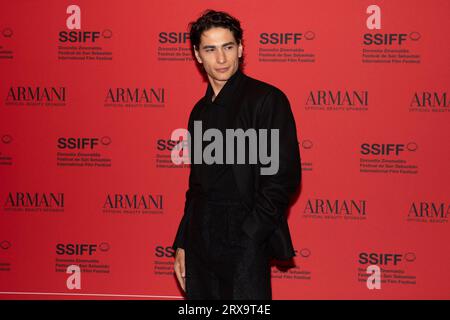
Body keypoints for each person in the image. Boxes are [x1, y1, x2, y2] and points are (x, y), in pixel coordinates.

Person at [172, 9, 301, 300]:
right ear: (197, 54)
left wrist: (251, 236)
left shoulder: (266, 100)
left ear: (240, 49)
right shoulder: (199, 112)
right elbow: (196, 185)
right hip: (201, 233)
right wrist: (183, 242)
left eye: (228, 47)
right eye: (210, 49)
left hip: (244, 231)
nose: (221, 59)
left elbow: (282, 178)